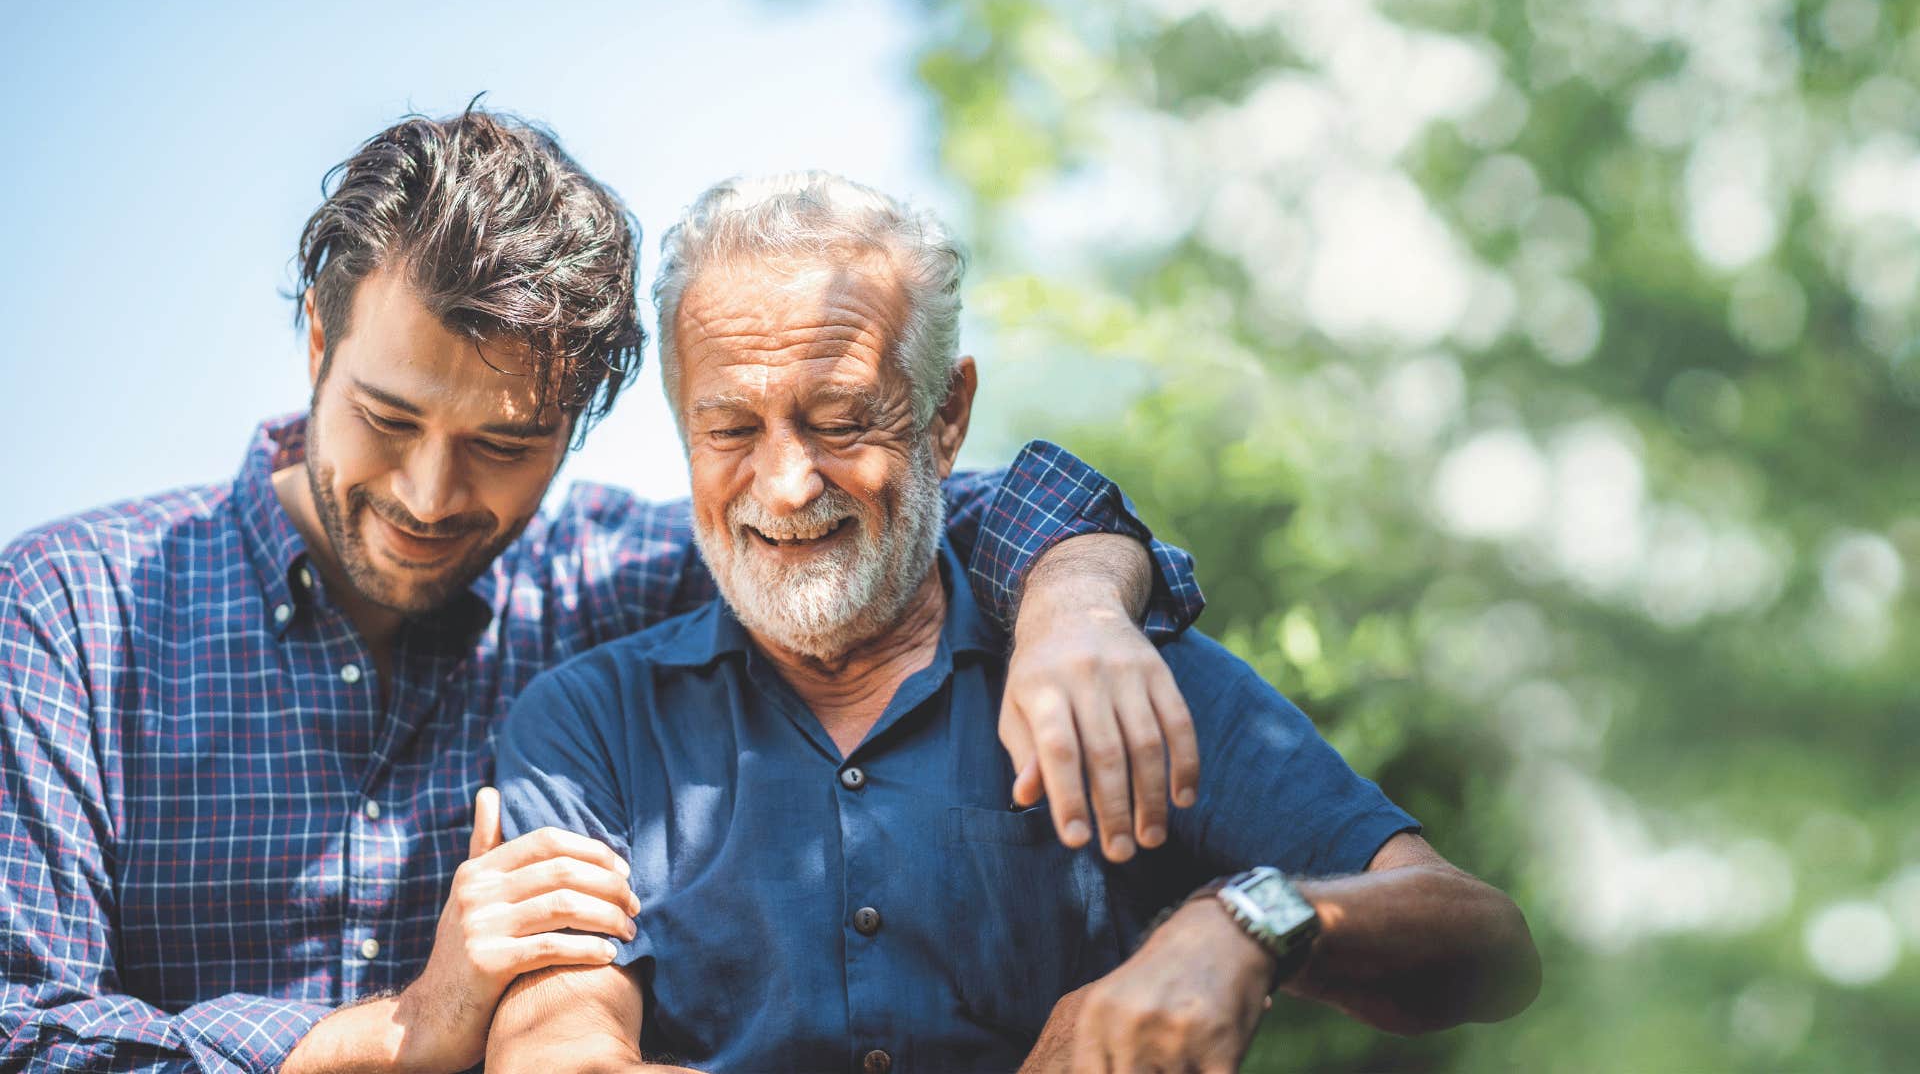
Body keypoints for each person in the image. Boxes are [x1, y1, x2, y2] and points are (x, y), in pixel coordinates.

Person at [0, 111, 1210, 1074]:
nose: (429, 493)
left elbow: (915, 503)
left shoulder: (614, 581)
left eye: (504, 444)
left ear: (576, 429)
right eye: (388, 418)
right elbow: (21, 1029)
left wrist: (1074, 604)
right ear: (318, 347)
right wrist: (401, 1032)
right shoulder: (69, 614)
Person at [486, 172, 1542, 1072]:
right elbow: (554, 1049)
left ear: (946, 417)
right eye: (728, 427)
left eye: (842, 419)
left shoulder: (1110, 671)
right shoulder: (589, 722)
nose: (787, 484)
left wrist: (1248, 921)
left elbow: (1486, 945)